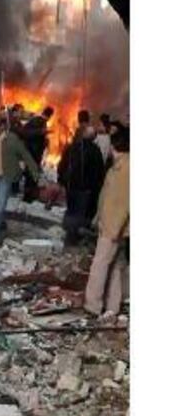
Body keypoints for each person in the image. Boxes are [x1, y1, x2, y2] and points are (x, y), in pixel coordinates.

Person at [84, 126, 129, 318]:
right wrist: (97, 218)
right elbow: (106, 197)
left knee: (100, 265)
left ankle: (92, 306)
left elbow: (122, 203)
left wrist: (112, 229)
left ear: (115, 146)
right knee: (117, 266)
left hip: (113, 227)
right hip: (115, 226)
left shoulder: (125, 170)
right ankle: (112, 306)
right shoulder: (121, 166)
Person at [0, 115, 40, 241]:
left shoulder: (11, 139)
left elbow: (24, 154)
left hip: (5, 177)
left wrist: (34, 171)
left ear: (2, 126)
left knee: (0, 206)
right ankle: (1, 225)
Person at [57, 110, 106, 245]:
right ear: (92, 137)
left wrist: (62, 180)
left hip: (71, 186)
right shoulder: (95, 150)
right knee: (79, 212)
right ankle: (73, 238)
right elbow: (99, 171)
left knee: (72, 209)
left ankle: (70, 233)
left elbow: (61, 166)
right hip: (85, 189)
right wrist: (96, 187)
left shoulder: (71, 148)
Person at [20, 106, 54, 202]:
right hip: (33, 152)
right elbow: (26, 132)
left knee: (32, 174)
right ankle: (28, 196)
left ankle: (30, 195)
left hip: (34, 152)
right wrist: (41, 132)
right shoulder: (37, 121)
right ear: (49, 115)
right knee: (31, 175)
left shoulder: (40, 122)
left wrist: (44, 140)